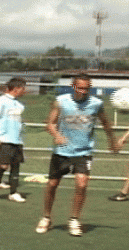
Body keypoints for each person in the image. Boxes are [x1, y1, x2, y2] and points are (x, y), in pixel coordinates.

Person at [35, 74, 117, 237]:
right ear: (73, 86)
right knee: (52, 185)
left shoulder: (96, 104)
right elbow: (49, 123)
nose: (84, 91)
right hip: (62, 152)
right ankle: (46, 217)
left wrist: (112, 141)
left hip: (83, 152)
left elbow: (106, 123)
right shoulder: (61, 101)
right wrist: (57, 135)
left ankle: (74, 219)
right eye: (80, 88)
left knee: (81, 184)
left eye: (87, 88)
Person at [0, 77, 27, 202]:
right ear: (16, 89)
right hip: (4, 139)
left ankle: (13, 193)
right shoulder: (0, 101)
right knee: (3, 166)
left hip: (17, 140)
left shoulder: (19, 104)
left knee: (15, 166)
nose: (25, 91)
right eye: (23, 88)